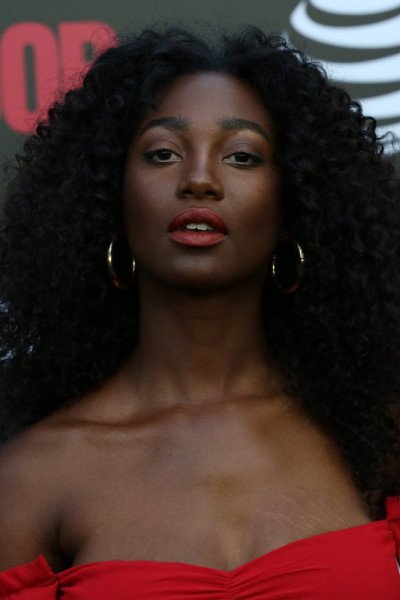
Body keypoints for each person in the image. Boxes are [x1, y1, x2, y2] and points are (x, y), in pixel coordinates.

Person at [0, 24, 399, 599]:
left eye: (242, 156)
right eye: (163, 153)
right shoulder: (32, 477)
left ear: (295, 204)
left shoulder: (375, 437)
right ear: (109, 199)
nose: (199, 180)